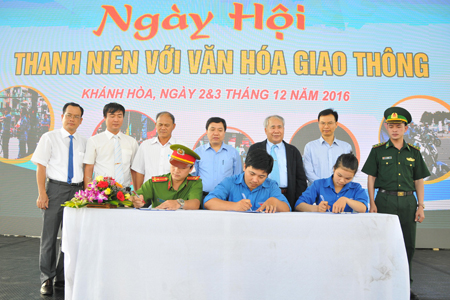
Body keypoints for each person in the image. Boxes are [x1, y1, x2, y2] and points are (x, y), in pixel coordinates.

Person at [361, 107, 429, 300]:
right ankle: (381, 286)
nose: (394, 130)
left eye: (398, 126)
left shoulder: (414, 153)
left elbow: (418, 181)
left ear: (405, 129)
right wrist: (372, 202)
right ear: (387, 129)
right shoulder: (378, 151)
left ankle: (405, 287)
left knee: (408, 245)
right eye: (391, 126)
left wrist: (421, 205)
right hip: (384, 200)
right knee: (382, 244)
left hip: (408, 202)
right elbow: (371, 178)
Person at [31, 102, 86, 295]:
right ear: (62, 116)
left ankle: (62, 278)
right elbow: (41, 167)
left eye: (76, 116)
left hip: (77, 193)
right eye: (68, 115)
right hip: (54, 190)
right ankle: (47, 278)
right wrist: (42, 193)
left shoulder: (83, 141)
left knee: (70, 238)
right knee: (49, 238)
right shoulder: (49, 137)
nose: (72, 119)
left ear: (81, 120)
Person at [204, 148, 291, 213]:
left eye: (261, 176)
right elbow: (208, 202)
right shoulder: (230, 182)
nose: (255, 180)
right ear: (244, 167)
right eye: (252, 174)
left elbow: (287, 209)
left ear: (267, 175)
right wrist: (234, 206)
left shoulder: (271, 186)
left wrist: (275, 202)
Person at [248, 115, 307, 209]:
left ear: (283, 129)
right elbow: (248, 174)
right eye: (272, 127)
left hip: (287, 197)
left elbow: (300, 179)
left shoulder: (293, 151)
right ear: (266, 130)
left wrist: (297, 201)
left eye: (279, 127)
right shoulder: (255, 148)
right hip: (260, 195)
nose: (276, 131)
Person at [84, 103, 138, 188]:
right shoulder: (94, 140)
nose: (116, 120)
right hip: (101, 192)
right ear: (105, 118)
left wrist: (136, 192)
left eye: (119, 116)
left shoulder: (132, 142)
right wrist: (88, 192)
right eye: (112, 116)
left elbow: (134, 169)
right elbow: (89, 168)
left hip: (125, 191)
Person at [131, 144, 202, 210]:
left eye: (182, 168)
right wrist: (136, 201)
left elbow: (195, 204)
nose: (176, 170)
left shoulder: (195, 182)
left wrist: (179, 203)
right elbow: (134, 198)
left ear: (191, 169)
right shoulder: (155, 183)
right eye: (174, 165)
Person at [295, 153, 368, 213]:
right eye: (339, 175)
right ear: (334, 168)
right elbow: (299, 205)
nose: (342, 180)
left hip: (347, 226)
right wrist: (317, 208)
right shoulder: (319, 184)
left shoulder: (356, 188)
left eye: (348, 178)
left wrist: (346, 200)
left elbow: (363, 208)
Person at [131, 111, 184, 191]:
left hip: (172, 193)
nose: (163, 128)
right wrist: (139, 194)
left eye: (167, 125)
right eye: (160, 124)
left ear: (173, 126)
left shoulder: (181, 147)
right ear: (156, 125)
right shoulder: (145, 145)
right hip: (148, 192)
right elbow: (139, 171)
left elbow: (187, 172)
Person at [193, 117, 242, 200]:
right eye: (212, 129)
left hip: (226, 196)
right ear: (206, 132)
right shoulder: (197, 152)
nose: (216, 133)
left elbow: (237, 177)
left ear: (224, 132)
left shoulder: (233, 153)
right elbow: (194, 176)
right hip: (202, 196)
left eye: (220, 130)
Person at [303, 109, 352, 184]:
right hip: (317, 191)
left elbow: (349, 171)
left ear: (336, 124)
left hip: (340, 191)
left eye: (330, 123)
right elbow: (308, 172)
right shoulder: (310, 147)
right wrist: (323, 186)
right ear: (318, 124)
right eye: (323, 123)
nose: (326, 126)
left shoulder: (346, 147)